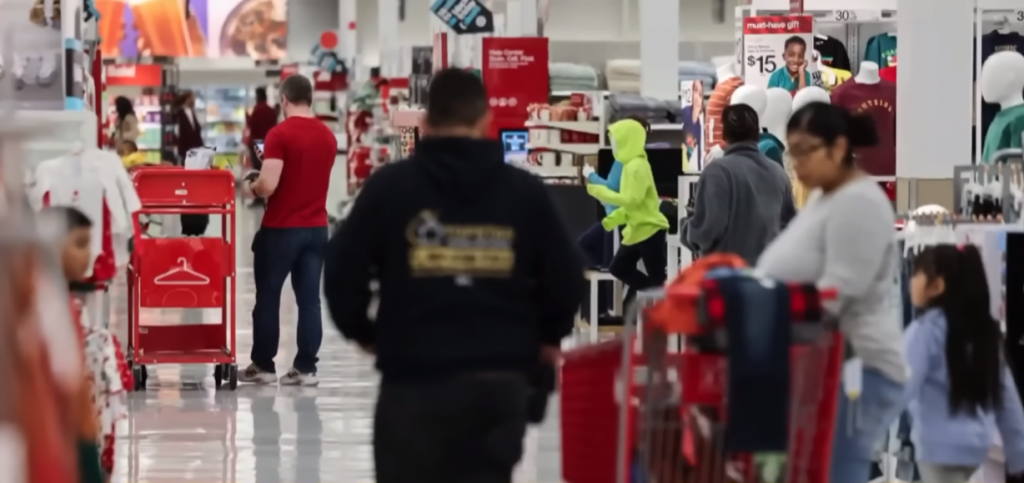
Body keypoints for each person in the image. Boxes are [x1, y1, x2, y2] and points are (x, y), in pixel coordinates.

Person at [322, 68, 585, 483]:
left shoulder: (390, 188)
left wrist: (366, 333)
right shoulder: (524, 193)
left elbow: (340, 271)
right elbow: (567, 276)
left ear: (425, 124)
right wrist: (548, 338)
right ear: (486, 121)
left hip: (414, 380)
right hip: (498, 383)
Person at [755, 102, 906, 483]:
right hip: (824, 364)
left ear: (838, 147)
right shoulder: (828, 196)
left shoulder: (860, 203)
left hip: (857, 366)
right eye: (792, 151)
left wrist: (766, 304)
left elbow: (840, 292)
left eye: (806, 150)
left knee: (836, 472)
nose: (797, 163)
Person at [240, 74, 337, 386]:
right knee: (309, 300)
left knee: (268, 297)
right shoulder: (327, 135)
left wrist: (250, 188)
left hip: (282, 228)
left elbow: (269, 184)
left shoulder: (279, 134)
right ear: (310, 98)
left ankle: (264, 365)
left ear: (284, 100)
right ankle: (305, 367)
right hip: (317, 228)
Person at [903, 244, 1024, 483]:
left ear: (938, 285)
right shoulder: (985, 334)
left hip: (936, 449)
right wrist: (1019, 454)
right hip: (975, 448)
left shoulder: (925, 332)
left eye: (917, 274)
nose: (911, 280)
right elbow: (1007, 398)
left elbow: (900, 384)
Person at [681, 104, 795, 265]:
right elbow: (790, 226)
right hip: (767, 275)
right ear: (756, 133)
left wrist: (686, 228)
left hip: (726, 278)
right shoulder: (778, 173)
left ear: (724, 134)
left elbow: (706, 231)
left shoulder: (717, 171)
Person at [584, 117, 669, 305]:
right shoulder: (629, 166)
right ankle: (659, 296)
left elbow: (632, 200)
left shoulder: (637, 166)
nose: (614, 146)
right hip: (636, 230)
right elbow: (632, 204)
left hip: (650, 230)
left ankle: (665, 305)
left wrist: (601, 191)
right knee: (619, 268)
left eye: (616, 142)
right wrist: (613, 218)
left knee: (655, 278)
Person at [175, 90, 209, 236]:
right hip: (187, 159)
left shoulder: (192, 114)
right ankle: (189, 223)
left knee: (199, 191)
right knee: (188, 192)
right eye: (192, 97)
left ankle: (200, 222)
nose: (194, 100)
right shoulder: (178, 115)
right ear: (186, 99)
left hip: (198, 159)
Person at [246, 86, 278, 171]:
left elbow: (251, 125)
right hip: (268, 142)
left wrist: (247, 116)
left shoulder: (257, 110)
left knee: (257, 167)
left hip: (257, 142)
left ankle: (258, 182)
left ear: (258, 97)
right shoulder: (271, 111)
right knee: (266, 165)